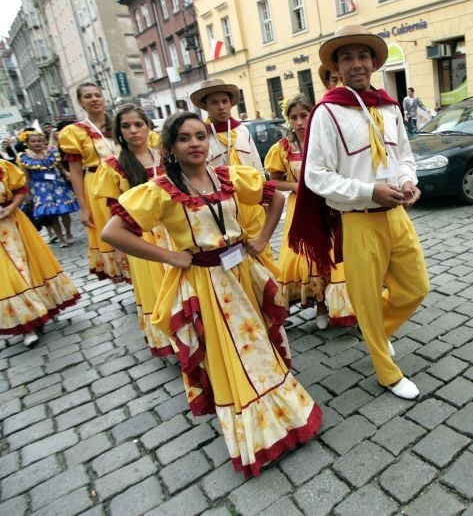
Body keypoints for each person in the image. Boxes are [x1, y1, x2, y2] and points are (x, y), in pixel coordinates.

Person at [101, 111, 321, 477]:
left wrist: (263, 238)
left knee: (261, 345)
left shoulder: (229, 176)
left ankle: (288, 418)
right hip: (206, 283)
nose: (195, 144)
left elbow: (276, 198)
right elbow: (113, 232)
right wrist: (169, 255)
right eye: (185, 138)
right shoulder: (160, 190)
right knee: (233, 357)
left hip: (241, 272)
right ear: (170, 146)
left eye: (200, 136)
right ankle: (261, 435)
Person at [289, 24, 429, 400]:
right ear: (336, 67)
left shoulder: (389, 105)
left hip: (396, 215)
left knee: (416, 287)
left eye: (362, 56)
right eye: (347, 57)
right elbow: (316, 176)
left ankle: (377, 334)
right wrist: (369, 190)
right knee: (365, 298)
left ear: (373, 62)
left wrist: (408, 180)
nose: (356, 63)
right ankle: (386, 372)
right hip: (358, 219)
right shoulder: (328, 113)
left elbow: (403, 156)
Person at [266, 93, 356, 330]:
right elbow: (274, 181)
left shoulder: (326, 139)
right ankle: (320, 306)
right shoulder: (282, 148)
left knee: (336, 255)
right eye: (293, 117)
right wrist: (296, 186)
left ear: (313, 114)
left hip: (329, 204)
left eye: (304, 115)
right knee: (308, 260)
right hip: (302, 206)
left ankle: (348, 305)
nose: (299, 122)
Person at [93, 104, 174, 357]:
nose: (133, 130)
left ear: (147, 126)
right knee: (155, 287)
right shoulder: (113, 166)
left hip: (173, 229)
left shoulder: (165, 155)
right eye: (126, 126)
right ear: (118, 132)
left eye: (138, 124)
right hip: (142, 236)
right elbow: (114, 211)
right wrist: (119, 250)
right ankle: (169, 339)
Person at [190, 79, 274, 261]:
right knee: (232, 257)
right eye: (214, 102)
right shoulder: (202, 136)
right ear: (204, 105)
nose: (221, 107)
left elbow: (256, 167)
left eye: (224, 101)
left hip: (251, 204)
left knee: (261, 254)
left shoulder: (242, 131)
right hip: (223, 207)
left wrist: (265, 200)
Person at [0, 158, 80, 347]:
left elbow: (20, 189)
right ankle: (27, 324)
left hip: (14, 225)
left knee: (30, 266)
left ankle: (41, 308)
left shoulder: (3, 166)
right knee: (8, 277)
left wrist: (11, 207)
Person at [59, 82, 128, 281]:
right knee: (113, 229)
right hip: (97, 187)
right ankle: (124, 272)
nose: (94, 99)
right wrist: (83, 207)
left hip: (125, 181)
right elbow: (76, 173)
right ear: (80, 102)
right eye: (88, 96)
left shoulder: (119, 124)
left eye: (97, 95)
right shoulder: (75, 132)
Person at [16, 130, 79, 247]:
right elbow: (26, 177)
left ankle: (69, 233)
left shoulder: (51, 153)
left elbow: (59, 166)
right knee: (52, 214)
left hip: (57, 185)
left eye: (39, 141)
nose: (37, 143)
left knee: (65, 211)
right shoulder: (24, 158)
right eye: (33, 141)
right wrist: (27, 192)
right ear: (28, 143)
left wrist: (66, 173)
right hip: (40, 189)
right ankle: (61, 238)